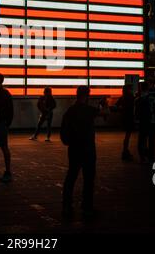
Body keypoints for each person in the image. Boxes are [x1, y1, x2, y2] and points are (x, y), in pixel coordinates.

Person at [60, 86, 98, 218]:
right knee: (88, 179)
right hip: (88, 148)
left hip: (74, 148)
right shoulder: (90, 110)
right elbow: (105, 113)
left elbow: (63, 131)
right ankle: (87, 207)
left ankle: (67, 205)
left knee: (71, 176)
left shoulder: (70, 111)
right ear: (86, 95)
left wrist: (69, 141)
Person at [135, 81, 155, 164]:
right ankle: (151, 158)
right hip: (151, 121)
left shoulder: (137, 99)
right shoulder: (152, 98)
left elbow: (136, 113)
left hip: (142, 122)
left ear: (141, 88)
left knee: (141, 140)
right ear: (148, 88)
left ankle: (142, 157)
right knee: (151, 141)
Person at [116, 84, 135, 161]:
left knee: (127, 135)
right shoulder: (131, 97)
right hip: (130, 118)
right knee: (128, 135)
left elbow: (116, 105)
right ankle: (125, 151)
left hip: (124, 118)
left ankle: (125, 151)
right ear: (129, 90)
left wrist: (122, 109)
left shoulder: (122, 97)